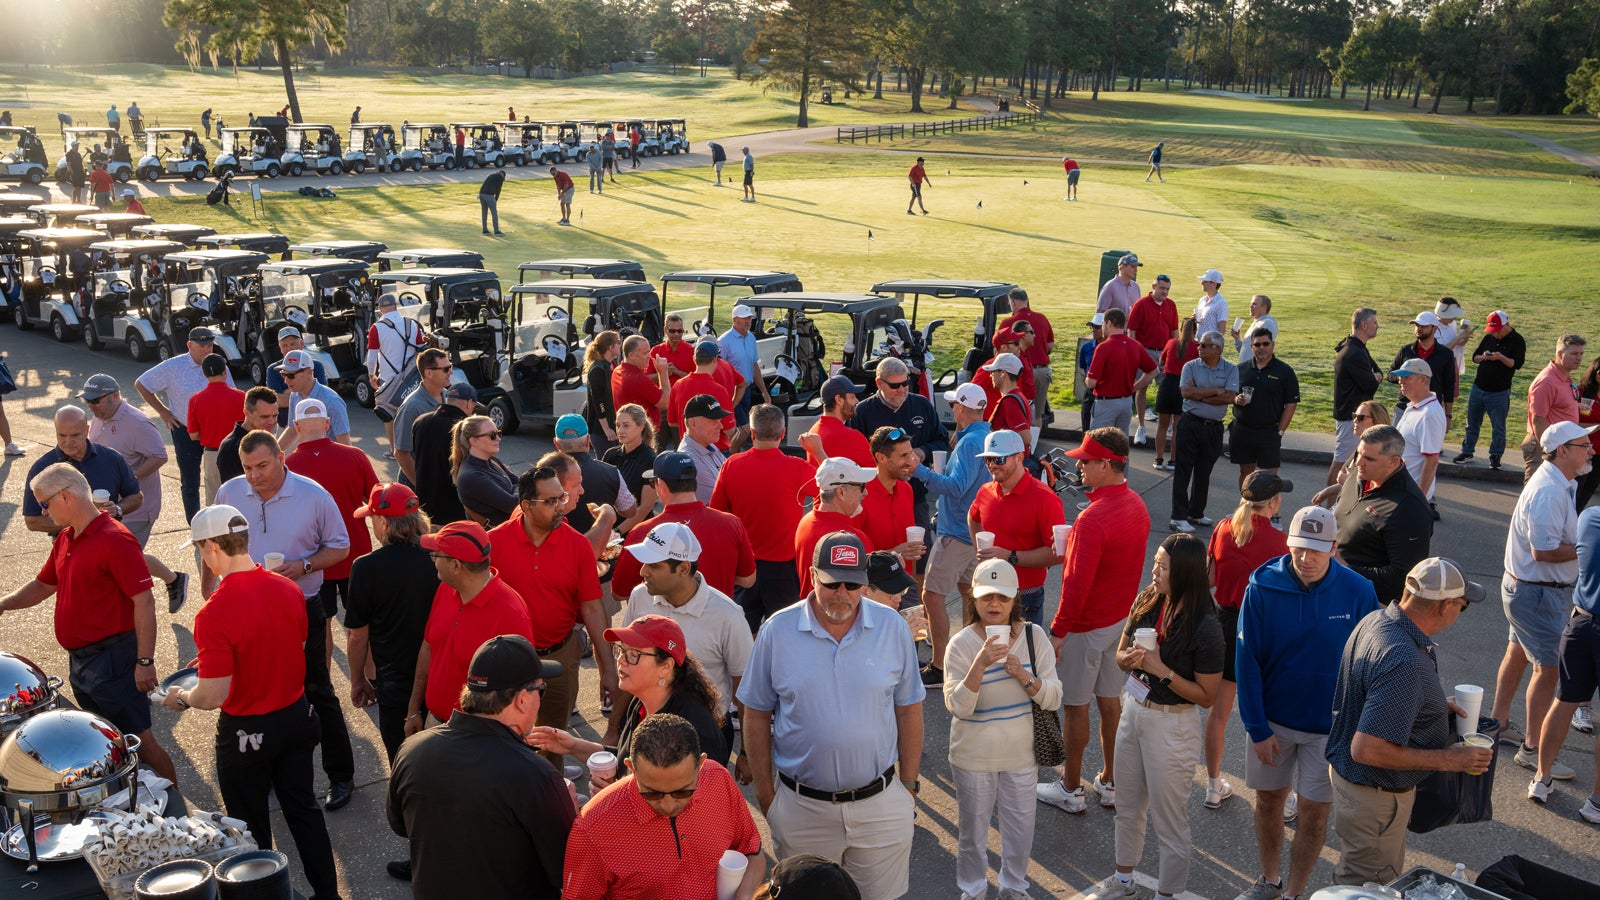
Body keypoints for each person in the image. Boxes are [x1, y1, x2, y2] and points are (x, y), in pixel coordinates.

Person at [158, 505, 338, 898]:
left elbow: (213, 695)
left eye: (200, 550)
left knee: (249, 826)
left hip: (247, 731)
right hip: (295, 716)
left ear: (210, 547)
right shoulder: (287, 587)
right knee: (304, 812)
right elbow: (294, 646)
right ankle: (328, 894)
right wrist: (218, 661)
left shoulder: (214, 612)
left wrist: (182, 698)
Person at [738, 532, 925, 900]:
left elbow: (909, 709)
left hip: (881, 807)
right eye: (831, 583)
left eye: (852, 584)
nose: (842, 593)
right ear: (812, 575)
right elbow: (756, 713)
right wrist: (767, 796)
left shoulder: (891, 627)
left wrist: (909, 785)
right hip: (802, 809)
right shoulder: (778, 630)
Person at [1235, 506, 1380, 900]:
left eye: (1317, 549)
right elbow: (1246, 662)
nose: (1306, 558)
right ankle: (1271, 882)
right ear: (1289, 543)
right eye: (1299, 547)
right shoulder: (1262, 586)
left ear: (1334, 547)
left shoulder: (1359, 591)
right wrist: (1257, 728)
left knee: (1315, 816)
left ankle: (1296, 893)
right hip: (1273, 725)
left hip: (1329, 731)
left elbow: (1374, 661)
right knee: (1268, 803)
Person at [1, 463, 178, 783]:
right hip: (83, 662)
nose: (42, 512)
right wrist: (3, 605)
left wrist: (145, 662)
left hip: (115, 661)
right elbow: (43, 586)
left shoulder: (115, 540)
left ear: (65, 497)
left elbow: (145, 602)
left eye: (44, 504)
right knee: (105, 743)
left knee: (140, 742)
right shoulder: (66, 537)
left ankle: (177, 813)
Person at [1325, 557, 1490, 885]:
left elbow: (1372, 694)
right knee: (1367, 887)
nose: (1460, 613)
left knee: (1354, 877)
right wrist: (1448, 759)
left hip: (1356, 788)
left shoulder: (1378, 620)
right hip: (1374, 796)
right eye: (1462, 605)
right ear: (1445, 606)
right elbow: (1367, 749)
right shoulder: (1405, 660)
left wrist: (1429, 706)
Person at [214, 431, 357, 810]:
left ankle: (340, 775)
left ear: (281, 456)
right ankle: (275, 773)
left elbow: (341, 547)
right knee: (263, 694)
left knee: (316, 689)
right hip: (247, 611)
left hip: (301, 606)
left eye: (262, 466)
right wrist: (210, 590)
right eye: (247, 468)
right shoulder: (229, 493)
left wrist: (304, 565)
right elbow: (212, 546)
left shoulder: (313, 495)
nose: (254, 475)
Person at [389, 635, 573, 899]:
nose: (540, 700)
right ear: (522, 700)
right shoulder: (536, 775)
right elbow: (566, 867)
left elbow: (401, 825)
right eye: (540, 690)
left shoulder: (411, 750)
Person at [1099, 534, 1222, 900]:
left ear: (1183, 572)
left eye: (1162, 565)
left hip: (1172, 724)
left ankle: (1167, 894)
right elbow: (1119, 654)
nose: (1154, 570)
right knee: (1127, 805)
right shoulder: (1148, 599)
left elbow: (1207, 696)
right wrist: (1130, 661)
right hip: (1134, 710)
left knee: (1169, 820)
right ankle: (1123, 881)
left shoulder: (1206, 626)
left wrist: (1160, 669)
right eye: (1155, 561)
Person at [1037, 429, 1146, 817]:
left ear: (1105, 464)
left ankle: (1070, 787)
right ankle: (1112, 781)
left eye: (1086, 461)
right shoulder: (1136, 504)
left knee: (1075, 707)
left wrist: (1058, 631)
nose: (1079, 466)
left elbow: (1076, 586)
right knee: (1110, 702)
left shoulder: (1092, 518)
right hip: (1119, 621)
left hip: (1086, 626)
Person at [944, 559, 1061, 900]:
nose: (994, 604)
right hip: (972, 757)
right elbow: (958, 707)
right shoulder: (962, 644)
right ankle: (973, 889)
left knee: (1020, 831)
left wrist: (1025, 676)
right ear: (974, 599)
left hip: (1021, 756)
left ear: (1014, 601)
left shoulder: (1033, 636)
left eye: (1003, 597)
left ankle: (1014, 887)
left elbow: (1054, 697)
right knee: (972, 834)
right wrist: (979, 665)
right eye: (986, 597)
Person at [562, 713, 765, 900]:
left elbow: (752, 849)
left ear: (701, 764)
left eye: (682, 791)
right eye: (652, 793)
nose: (668, 806)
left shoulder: (718, 779)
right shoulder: (592, 829)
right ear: (631, 768)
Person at [489, 464, 614, 761]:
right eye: (551, 501)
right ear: (526, 506)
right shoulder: (494, 543)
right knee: (508, 747)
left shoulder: (577, 546)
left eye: (561, 497)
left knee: (552, 744)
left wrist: (608, 667)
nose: (561, 507)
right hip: (510, 663)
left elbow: (593, 608)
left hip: (560, 658)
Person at [1492, 419, 1592, 786]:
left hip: (1529, 589)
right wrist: (1587, 548)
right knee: (1548, 669)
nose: (1592, 450)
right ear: (1563, 451)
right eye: (1584, 445)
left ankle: (1498, 723)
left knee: (1518, 653)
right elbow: (1545, 551)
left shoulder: (1559, 482)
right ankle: (1532, 749)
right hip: (1537, 591)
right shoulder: (1550, 490)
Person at [534, 612, 730, 780]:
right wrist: (573, 745)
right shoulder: (640, 702)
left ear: (666, 666)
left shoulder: (694, 729)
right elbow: (624, 757)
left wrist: (615, 793)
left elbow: (689, 805)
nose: (621, 661)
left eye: (634, 654)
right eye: (621, 650)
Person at [619, 523, 753, 753]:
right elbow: (628, 660)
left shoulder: (727, 615)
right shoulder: (640, 596)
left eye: (653, 565)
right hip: (644, 720)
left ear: (682, 568)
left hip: (704, 736)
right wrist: (615, 725)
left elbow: (746, 687)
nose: (643, 572)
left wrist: (747, 753)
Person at [1201, 471, 1291, 811]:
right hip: (1263, 628)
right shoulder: (1280, 545)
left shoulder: (1224, 527)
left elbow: (1209, 579)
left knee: (1219, 713)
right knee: (1273, 715)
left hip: (1225, 623)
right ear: (1274, 502)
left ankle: (1212, 785)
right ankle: (1280, 795)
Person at [405, 521, 535, 732]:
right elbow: (428, 647)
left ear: (456, 566)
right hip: (435, 723)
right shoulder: (445, 590)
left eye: (436, 555)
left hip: (480, 736)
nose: (433, 560)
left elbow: (522, 689)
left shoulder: (511, 613)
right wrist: (413, 710)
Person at [346, 483, 438, 763]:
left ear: (383, 522)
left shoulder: (366, 567)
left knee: (403, 765)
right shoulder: (440, 556)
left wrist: (358, 680)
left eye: (372, 518)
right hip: (441, 677)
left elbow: (357, 637)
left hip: (396, 685)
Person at [285, 397, 380, 667]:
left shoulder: (288, 467)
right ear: (327, 424)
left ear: (296, 426)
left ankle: (323, 679)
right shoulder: (355, 456)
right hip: (356, 553)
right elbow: (375, 503)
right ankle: (369, 679)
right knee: (362, 623)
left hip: (314, 559)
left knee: (321, 623)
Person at [711, 403, 817, 630]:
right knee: (786, 633)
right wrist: (815, 452)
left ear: (752, 433)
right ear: (783, 433)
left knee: (743, 633)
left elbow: (717, 513)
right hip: (784, 570)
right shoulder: (797, 468)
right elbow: (832, 486)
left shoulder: (731, 465)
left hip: (744, 567)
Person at [79, 376, 184, 600]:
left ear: (114, 397)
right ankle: (173, 579)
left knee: (121, 558)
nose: (91, 405)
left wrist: (128, 479)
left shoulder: (137, 422)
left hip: (135, 507)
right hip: (107, 505)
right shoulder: (101, 417)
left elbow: (159, 456)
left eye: (95, 400)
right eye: (87, 401)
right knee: (119, 556)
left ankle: (142, 602)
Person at [914, 383, 992, 680]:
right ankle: (971, 656)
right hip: (973, 530)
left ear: (961, 407)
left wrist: (919, 471)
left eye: (954, 404)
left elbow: (957, 487)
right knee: (969, 592)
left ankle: (939, 665)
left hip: (957, 532)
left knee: (932, 595)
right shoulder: (985, 436)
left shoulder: (969, 442)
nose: (952, 409)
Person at [610, 451, 757, 603]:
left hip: (662, 624)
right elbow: (747, 579)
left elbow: (620, 593)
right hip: (717, 621)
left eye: (653, 482)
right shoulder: (732, 524)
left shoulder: (642, 532)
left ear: (661, 484)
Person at [136, 325, 236, 522]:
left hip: (214, 432)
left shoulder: (218, 365)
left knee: (219, 478)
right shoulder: (172, 367)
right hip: (184, 429)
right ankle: (195, 524)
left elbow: (231, 391)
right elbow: (142, 383)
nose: (207, 350)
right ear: (190, 345)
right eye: (203, 346)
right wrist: (164, 412)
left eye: (210, 346)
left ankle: (221, 520)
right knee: (190, 481)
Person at [1333, 424, 1433, 605]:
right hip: (1333, 585)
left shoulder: (1409, 508)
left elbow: (1403, 578)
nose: (1358, 462)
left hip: (1367, 603)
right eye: (1358, 454)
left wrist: (1345, 569)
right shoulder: (1360, 473)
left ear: (1393, 461)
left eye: (1369, 458)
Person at [852, 357, 946, 526]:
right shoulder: (863, 412)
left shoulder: (922, 405)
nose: (902, 390)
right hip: (876, 498)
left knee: (921, 548)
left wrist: (922, 452)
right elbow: (855, 456)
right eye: (895, 386)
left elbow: (941, 440)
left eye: (906, 383)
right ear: (879, 383)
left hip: (916, 497)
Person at [22, 407, 144, 536]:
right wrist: (81, 522)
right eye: (62, 435)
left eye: (75, 435)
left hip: (110, 540)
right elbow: (32, 521)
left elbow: (136, 497)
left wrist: (118, 509)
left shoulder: (111, 458)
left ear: (87, 430)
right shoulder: (43, 467)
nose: (68, 442)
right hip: (70, 547)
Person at [1171, 331, 1240, 533]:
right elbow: (1185, 392)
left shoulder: (1230, 368)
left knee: (1204, 472)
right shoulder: (1190, 366)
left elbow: (1230, 397)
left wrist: (1200, 393)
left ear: (1217, 349)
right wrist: (1215, 390)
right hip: (1190, 423)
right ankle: (1178, 516)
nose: (1199, 348)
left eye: (1203, 345)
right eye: (1200, 345)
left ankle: (1196, 512)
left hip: (1213, 428)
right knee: (1183, 470)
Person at [794, 457, 876, 598]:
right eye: (862, 486)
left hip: (814, 611)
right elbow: (869, 593)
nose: (865, 492)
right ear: (841, 492)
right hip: (841, 615)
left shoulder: (805, 522)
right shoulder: (854, 540)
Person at [1455, 310, 1526, 469]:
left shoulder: (1517, 340)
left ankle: (1495, 456)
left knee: (1498, 427)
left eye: (1498, 330)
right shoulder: (1488, 338)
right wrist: (1482, 358)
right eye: (1492, 330)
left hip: (1499, 391)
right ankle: (1467, 451)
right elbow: (1475, 357)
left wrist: (1500, 357)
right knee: (1472, 423)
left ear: (1507, 325)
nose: (1495, 334)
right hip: (1478, 387)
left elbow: (1517, 364)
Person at [1232, 328, 1300, 486]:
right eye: (1257, 344)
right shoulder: (1241, 369)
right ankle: (1246, 509)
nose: (1262, 347)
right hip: (1243, 430)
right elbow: (1229, 394)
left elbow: (1291, 404)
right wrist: (1236, 399)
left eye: (1265, 344)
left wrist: (1280, 431)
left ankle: (1267, 511)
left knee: (1268, 478)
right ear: (1252, 347)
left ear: (1273, 345)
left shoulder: (1285, 371)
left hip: (1269, 432)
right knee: (1245, 473)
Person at [1522, 334, 1586, 482]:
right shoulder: (1547, 382)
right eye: (1574, 353)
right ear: (1559, 354)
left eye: (1581, 354)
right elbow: (1538, 420)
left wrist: (1574, 406)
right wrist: (1550, 451)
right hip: (1544, 446)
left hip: (1559, 446)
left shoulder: (1564, 377)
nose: (1579, 358)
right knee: (1537, 492)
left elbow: (1557, 404)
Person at [367, 295, 429, 451]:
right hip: (412, 377)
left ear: (380, 309)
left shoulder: (377, 328)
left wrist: (370, 374)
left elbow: (372, 356)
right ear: (395, 306)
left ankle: (395, 449)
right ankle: (417, 447)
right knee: (413, 412)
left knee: (390, 414)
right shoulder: (412, 324)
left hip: (388, 379)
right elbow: (421, 350)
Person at [1087, 307, 1159, 439]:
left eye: (1102, 323)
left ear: (1109, 323)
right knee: (1120, 444)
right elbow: (1154, 371)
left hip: (1106, 403)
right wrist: (1133, 388)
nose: (1102, 327)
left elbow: (1091, 383)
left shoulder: (1103, 347)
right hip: (1125, 402)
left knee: (1099, 444)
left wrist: (1087, 379)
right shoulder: (1135, 345)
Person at [410, 382, 475, 525]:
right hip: (454, 514)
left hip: (425, 511)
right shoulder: (465, 429)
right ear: (469, 404)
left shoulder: (421, 422)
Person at [1331, 308, 1383, 485]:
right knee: (1342, 463)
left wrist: (1374, 376)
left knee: (1348, 462)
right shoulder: (1354, 352)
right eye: (1375, 322)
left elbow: (1378, 372)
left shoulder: (1358, 348)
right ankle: (1326, 506)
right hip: (1350, 417)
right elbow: (1371, 383)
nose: (1378, 326)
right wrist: (1374, 377)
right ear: (1364, 324)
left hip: (1354, 416)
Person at [187, 353, 246, 506]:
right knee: (243, 497)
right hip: (240, 452)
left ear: (204, 373)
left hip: (212, 453)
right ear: (225, 371)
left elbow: (193, 435)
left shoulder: (196, 399)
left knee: (214, 502)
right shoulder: (242, 396)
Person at [1127, 275, 1178, 440]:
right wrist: (1136, 353)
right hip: (1145, 352)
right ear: (1154, 286)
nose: (1165, 292)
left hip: (1165, 352)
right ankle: (1141, 426)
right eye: (1162, 288)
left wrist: (1174, 351)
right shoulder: (1141, 305)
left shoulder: (1171, 305)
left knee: (1167, 390)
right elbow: (1132, 332)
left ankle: (1169, 426)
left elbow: (1174, 332)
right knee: (1142, 388)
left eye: (1167, 289)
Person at [1393, 357, 1447, 515]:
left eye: (1407, 377)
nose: (1401, 381)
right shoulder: (1413, 406)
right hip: (1400, 493)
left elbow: (1431, 461)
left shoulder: (1429, 415)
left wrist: (1418, 501)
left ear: (1423, 379)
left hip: (1410, 498)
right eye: (1400, 377)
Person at [1314, 400, 1391, 507]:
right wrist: (1328, 491)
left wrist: (1346, 481)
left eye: (1361, 417)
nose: (1355, 420)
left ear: (1377, 421)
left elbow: (1374, 490)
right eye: (1354, 415)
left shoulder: (1379, 454)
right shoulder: (1361, 447)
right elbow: (1351, 480)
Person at [394, 348, 453, 483]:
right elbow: (402, 454)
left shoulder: (448, 397)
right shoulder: (411, 408)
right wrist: (422, 486)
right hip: (418, 485)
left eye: (450, 367)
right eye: (445, 369)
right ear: (428, 373)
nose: (451, 372)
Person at [277, 350, 352, 453]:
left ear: (308, 372)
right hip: (309, 457)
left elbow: (345, 443)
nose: (286, 380)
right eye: (283, 375)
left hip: (329, 460)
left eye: (290, 376)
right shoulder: (295, 395)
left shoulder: (332, 401)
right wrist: (272, 453)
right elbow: (292, 429)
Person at [1392, 310, 1458, 422]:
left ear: (1435, 328)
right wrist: (1403, 377)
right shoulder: (1405, 350)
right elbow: (1391, 373)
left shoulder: (1446, 354)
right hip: (1404, 406)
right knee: (1394, 439)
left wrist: (1448, 415)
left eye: (1423, 326)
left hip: (1430, 409)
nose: (1419, 328)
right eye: (1417, 325)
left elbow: (1449, 386)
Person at [670, 342, 738, 448]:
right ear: (715, 359)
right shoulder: (719, 390)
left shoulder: (678, 386)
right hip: (715, 453)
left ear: (694, 359)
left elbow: (673, 422)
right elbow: (729, 430)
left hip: (689, 450)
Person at [1153, 316, 1198, 471]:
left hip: (1167, 384)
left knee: (1162, 426)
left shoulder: (1171, 343)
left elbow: (1161, 361)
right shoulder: (1195, 347)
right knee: (1177, 427)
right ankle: (1173, 460)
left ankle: (1158, 459)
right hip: (1182, 386)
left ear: (1180, 329)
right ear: (1194, 331)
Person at [605, 403, 659, 533]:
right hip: (610, 527)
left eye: (626, 425)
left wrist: (617, 532)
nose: (620, 430)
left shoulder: (650, 459)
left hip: (637, 531)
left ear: (640, 426)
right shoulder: (610, 454)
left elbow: (645, 507)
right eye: (618, 425)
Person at [719, 304, 768, 433]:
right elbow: (718, 369)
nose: (747, 321)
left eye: (749, 318)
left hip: (747, 390)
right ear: (734, 320)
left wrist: (764, 391)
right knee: (744, 429)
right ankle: (733, 452)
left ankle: (734, 451)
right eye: (743, 318)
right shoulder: (724, 341)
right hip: (732, 392)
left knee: (741, 430)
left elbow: (754, 365)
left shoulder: (751, 338)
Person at [612, 334, 672, 439]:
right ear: (631, 355)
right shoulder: (638, 378)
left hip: (629, 432)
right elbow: (666, 402)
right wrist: (663, 372)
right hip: (642, 435)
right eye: (645, 353)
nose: (650, 356)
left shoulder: (617, 371)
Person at [270, 327, 330, 426]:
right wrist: (304, 390)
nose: (289, 348)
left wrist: (287, 392)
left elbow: (320, 397)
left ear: (301, 344)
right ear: (280, 348)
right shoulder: (273, 369)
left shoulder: (316, 365)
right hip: (286, 426)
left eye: (292, 344)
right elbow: (276, 401)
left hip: (316, 425)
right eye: (284, 345)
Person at [680, 394, 732, 502]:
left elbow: (734, 476)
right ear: (693, 423)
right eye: (713, 422)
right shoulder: (690, 460)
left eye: (720, 420)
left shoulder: (708, 444)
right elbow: (723, 500)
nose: (721, 426)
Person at [982, 352, 1034, 449]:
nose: (990, 375)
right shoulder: (1017, 396)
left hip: (1008, 462)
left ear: (1003, 374)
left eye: (993, 372)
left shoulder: (1010, 402)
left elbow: (1026, 438)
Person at [583, 331, 620, 455]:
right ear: (611, 347)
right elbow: (598, 402)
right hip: (601, 430)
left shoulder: (611, 365)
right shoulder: (597, 370)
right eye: (618, 343)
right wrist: (607, 429)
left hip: (612, 425)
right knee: (607, 464)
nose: (620, 345)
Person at [651, 313, 696, 386]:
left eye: (679, 331)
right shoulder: (656, 351)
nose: (676, 334)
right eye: (672, 331)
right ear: (665, 330)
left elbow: (697, 381)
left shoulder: (692, 351)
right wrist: (663, 373)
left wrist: (678, 372)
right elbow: (646, 379)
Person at [1096, 253, 1141, 318]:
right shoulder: (1110, 286)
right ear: (1122, 267)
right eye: (1133, 267)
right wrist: (1121, 319)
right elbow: (1100, 314)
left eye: (1136, 267)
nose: (1136, 270)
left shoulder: (1136, 287)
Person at [1193, 269, 1227, 339]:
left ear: (1214, 284)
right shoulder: (1202, 300)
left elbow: (1222, 330)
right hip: (1198, 344)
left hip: (1209, 347)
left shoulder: (1221, 303)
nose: (1201, 283)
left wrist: (1213, 347)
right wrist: (1194, 318)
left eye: (1205, 281)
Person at [479, 167, 505, 235]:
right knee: (494, 213)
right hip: (489, 195)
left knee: (484, 212)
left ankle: (485, 230)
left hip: (481, 194)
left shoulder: (491, 175)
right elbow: (498, 189)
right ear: (502, 174)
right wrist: (496, 199)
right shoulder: (500, 178)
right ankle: (496, 231)